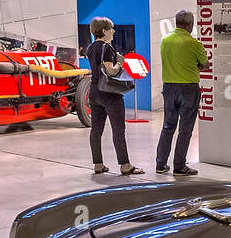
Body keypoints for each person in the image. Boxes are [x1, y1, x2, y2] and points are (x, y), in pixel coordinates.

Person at [85, 17, 143, 175]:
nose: (114, 32)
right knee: (118, 130)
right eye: (111, 29)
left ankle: (98, 163)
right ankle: (125, 165)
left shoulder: (91, 48)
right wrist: (120, 63)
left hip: (95, 91)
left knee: (96, 130)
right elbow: (111, 71)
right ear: (103, 31)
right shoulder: (107, 48)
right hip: (110, 94)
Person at [157, 9, 209, 175]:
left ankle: (160, 164)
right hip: (188, 89)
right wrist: (197, 66)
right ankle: (179, 166)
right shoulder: (194, 44)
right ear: (190, 24)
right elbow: (205, 64)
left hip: (169, 88)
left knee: (167, 127)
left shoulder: (165, 41)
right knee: (185, 129)